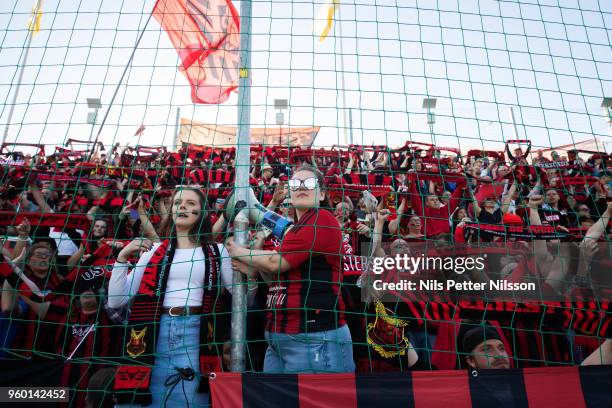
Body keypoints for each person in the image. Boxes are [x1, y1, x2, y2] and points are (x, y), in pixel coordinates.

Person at [109, 187, 239, 407]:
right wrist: (121, 258)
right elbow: (116, 301)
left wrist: (250, 275)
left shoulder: (218, 251)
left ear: (202, 213)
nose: (182, 206)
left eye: (190, 203)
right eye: (178, 203)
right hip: (152, 334)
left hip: (197, 336)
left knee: (191, 401)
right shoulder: (155, 251)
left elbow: (241, 297)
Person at [226, 165, 355, 373]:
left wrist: (236, 250)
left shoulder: (322, 220)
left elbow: (275, 262)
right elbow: (276, 278)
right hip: (279, 337)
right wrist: (254, 269)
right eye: (296, 183)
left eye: (309, 183)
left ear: (322, 194)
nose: (301, 187)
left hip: (314, 337)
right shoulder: (295, 230)